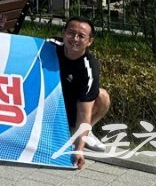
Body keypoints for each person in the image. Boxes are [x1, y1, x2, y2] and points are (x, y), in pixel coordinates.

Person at [47, 17, 112, 168]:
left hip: (73, 110)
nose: (75, 39)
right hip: (48, 104)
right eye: (71, 33)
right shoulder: (49, 45)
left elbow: (84, 111)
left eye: (81, 36)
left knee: (103, 96)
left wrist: (78, 150)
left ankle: (83, 134)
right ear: (63, 33)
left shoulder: (88, 69)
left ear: (89, 41)